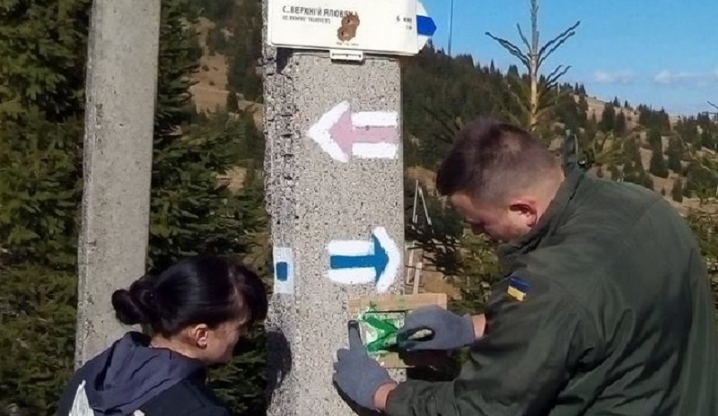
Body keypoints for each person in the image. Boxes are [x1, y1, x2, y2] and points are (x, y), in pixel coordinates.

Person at [333, 118, 718, 415]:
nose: (477, 234)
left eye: (480, 223)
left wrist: (382, 393)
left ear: (523, 209)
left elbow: (481, 408)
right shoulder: (643, 206)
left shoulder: (552, 282)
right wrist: (472, 327)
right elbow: (601, 317)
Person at [57, 255, 267, 416]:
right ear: (201, 334)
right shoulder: (198, 410)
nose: (244, 334)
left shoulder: (92, 376)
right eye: (240, 326)